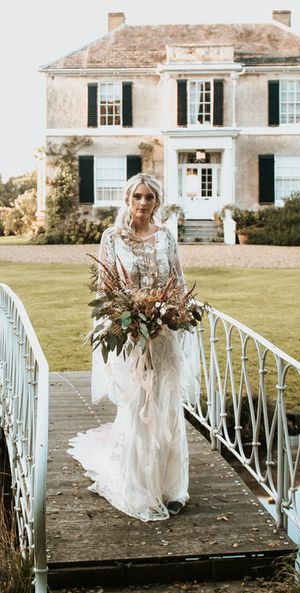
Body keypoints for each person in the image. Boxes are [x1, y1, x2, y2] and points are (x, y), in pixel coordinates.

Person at [68, 173, 199, 521]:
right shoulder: (112, 237)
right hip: (130, 335)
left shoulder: (167, 237)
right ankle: (140, 487)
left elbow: (178, 281)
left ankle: (172, 487)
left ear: (157, 202)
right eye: (137, 196)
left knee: (166, 405)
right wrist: (123, 318)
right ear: (128, 199)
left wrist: (173, 312)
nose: (143, 203)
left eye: (150, 197)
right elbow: (104, 287)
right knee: (139, 404)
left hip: (164, 335)